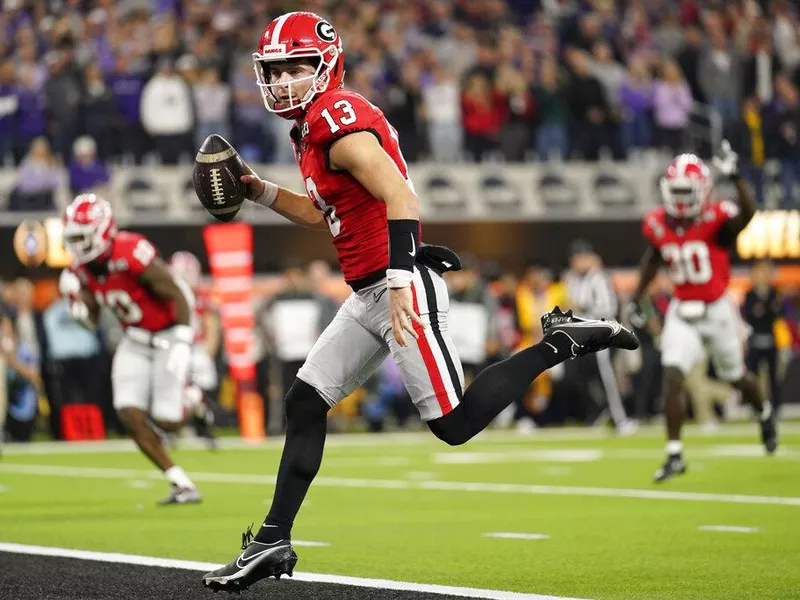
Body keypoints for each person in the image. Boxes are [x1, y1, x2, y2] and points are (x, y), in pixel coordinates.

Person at [201, 12, 639, 593]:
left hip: (398, 286)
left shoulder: (337, 114)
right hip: (369, 290)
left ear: (324, 65)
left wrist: (404, 275)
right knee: (305, 403)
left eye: (293, 68)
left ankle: (564, 340)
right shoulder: (309, 129)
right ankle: (272, 540)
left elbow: (400, 194)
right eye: (274, 70)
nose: (281, 82)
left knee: (454, 425)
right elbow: (320, 213)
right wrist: (258, 190)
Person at [628, 142, 777, 484]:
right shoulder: (658, 223)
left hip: (717, 308)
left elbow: (747, 216)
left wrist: (737, 177)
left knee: (735, 376)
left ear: (703, 191)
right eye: (676, 191)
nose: (680, 199)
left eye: (686, 191)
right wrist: (637, 298)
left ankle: (764, 412)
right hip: (682, 310)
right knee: (673, 376)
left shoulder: (715, 220)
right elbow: (653, 261)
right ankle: (674, 454)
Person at [61, 193, 201, 505]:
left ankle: (192, 399)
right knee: (128, 411)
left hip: (168, 333)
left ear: (102, 230)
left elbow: (176, 293)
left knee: (167, 420)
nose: (77, 245)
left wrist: (182, 339)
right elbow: (93, 321)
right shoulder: (81, 270)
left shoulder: (129, 250)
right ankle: (180, 482)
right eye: (73, 238)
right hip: (134, 339)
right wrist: (80, 309)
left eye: (82, 237)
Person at [168, 251, 220, 448]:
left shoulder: (201, 296)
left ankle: (203, 426)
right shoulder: (168, 297)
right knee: (175, 390)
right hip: (175, 347)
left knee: (202, 390)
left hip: (196, 347)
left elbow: (211, 321)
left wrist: (209, 348)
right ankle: (174, 427)